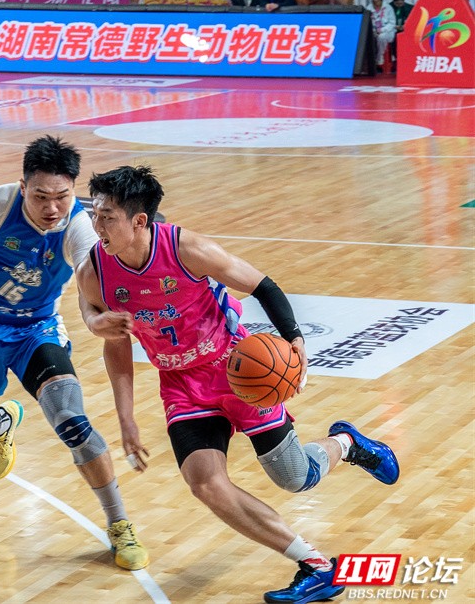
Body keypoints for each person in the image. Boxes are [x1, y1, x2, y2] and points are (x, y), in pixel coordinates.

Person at [76, 165, 400, 603]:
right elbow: (114, 345)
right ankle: (316, 565)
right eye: (94, 214)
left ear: (139, 221)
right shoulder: (95, 270)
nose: (97, 226)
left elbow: (263, 286)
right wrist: (126, 418)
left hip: (235, 371)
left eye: (107, 216)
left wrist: (295, 340)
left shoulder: (188, 249)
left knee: (296, 478)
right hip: (180, 384)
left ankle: (347, 443)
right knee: (205, 483)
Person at [0, 137, 148, 571]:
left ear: (73, 192)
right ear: (22, 187)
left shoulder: (78, 228)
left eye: (62, 196)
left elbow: (89, 288)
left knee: (72, 420)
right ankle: (1, 421)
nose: (52, 207)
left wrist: (93, 322)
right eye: (40, 197)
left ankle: (120, 524)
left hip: (37, 329)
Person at [367, 0, 397, 68]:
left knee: (382, 37)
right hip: (374, 32)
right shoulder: (368, 8)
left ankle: (379, 57)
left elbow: (392, 23)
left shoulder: (388, 7)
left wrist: (382, 30)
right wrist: (374, 31)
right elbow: (367, 23)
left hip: (388, 32)